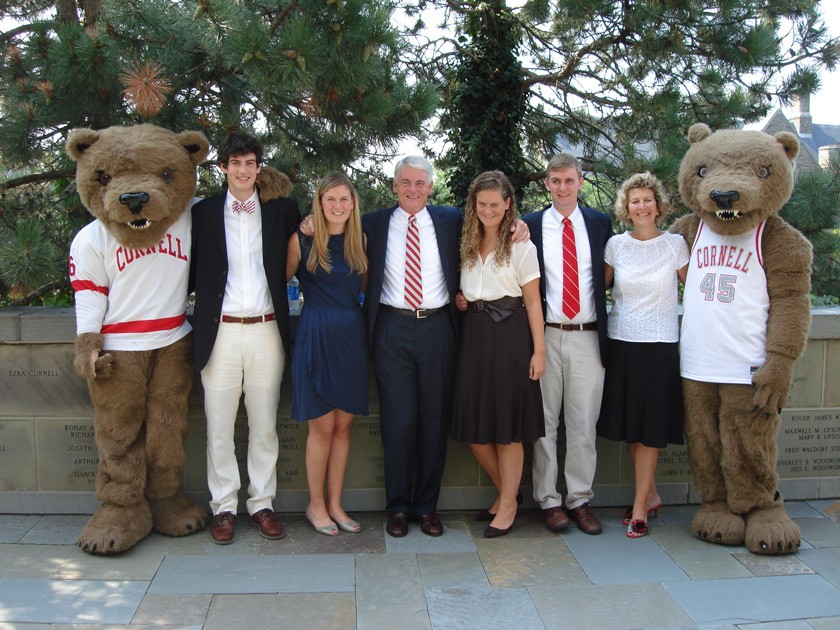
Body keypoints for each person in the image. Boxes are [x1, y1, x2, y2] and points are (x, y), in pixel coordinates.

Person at [362, 156, 530, 538]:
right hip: (392, 328)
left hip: (438, 327)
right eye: (405, 182)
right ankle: (399, 508)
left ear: (430, 188)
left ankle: (426, 508)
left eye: (420, 183)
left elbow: (493, 224)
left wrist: (519, 224)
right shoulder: (372, 222)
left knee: (434, 421)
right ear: (394, 185)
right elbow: (330, 226)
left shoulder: (450, 219)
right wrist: (307, 224)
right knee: (398, 421)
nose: (412, 189)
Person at [191, 130, 301, 544]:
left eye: (249, 162)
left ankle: (263, 503)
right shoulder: (203, 213)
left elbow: (317, 234)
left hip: (266, 330)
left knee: (264, 424)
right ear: (223, 168)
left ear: (259, 167)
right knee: (218, 426)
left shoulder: (281, 210)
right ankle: (223, 508)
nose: (242, 170)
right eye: (235, 163)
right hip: (219, 332)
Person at [451, 171, 545, 538]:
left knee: (508, 430)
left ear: (508, 204)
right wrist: (464, 299)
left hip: (510, 336)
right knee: (476, 431)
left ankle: (506, 504)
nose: (488, 210)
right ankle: (510, 491)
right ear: (474, 205)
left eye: (495, 204)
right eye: (482, 203)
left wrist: (539, 351)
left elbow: (534, 300)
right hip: (473, 336)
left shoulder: (521, 244)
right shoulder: (466, 242)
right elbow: (467, 289)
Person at [597, 173, 689, 538]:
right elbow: (595, 290)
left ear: (658, 204)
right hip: (622, 343)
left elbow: (697, 290)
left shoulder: (675, 245)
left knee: (650, 430)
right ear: (626, 207)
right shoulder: (615, 246)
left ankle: (639, 509)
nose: (641, 206)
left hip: (660, 346)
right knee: (632, 430)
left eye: (647, 199)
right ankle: (649, 494)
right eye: (634, 200)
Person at [525, 153, 612, 535]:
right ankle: (548, 500)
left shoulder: (599, 223)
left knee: (583, 423)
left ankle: (580, 499)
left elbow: (612, 275)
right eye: (555, 181)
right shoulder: (529, 225)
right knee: (544, 423)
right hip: (545, 333)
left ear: (580, 182)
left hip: (588, 336)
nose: (562, 187)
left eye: (569, 180)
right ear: (547, 184)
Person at [286, 171, 369, 536]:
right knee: (321, 426)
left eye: (344, 199)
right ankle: (315, 504)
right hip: (315, 334)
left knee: (343, 426)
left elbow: (364, 289)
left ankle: (335, 503)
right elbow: (278, 283)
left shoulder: (360, 240)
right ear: (319, 203)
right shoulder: (301, 241)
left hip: (351, 337)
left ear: (353, 205)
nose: (337, 206)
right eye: (330, 199)